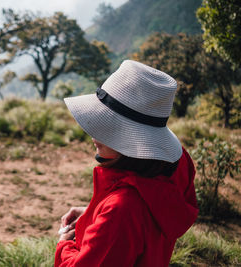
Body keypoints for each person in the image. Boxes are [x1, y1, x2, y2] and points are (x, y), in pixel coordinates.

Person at [55, 60, 198, 267]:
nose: (93, 133)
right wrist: (94, 212)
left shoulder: (120, 210)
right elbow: (149, 209)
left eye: (105, 126)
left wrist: (63, 245)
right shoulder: (176, 165)